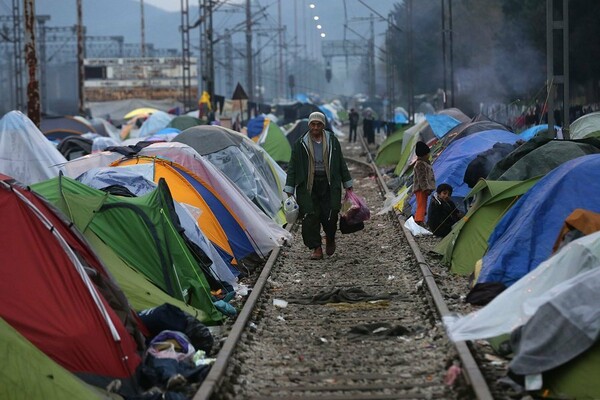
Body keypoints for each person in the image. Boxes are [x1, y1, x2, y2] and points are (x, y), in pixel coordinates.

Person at [284, 111, 354, 260]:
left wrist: (347, 183)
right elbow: (292, 167)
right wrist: (289, 188)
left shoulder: (332, 141)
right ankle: (316, 247)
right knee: (310, 216)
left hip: (329, 184)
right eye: (313, 124)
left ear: (323, 125)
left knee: (330, 214)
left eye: (319, 124)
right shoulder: (300, 144)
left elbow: (340, 162)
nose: (315, 127)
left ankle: (330, 237)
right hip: (308, 186)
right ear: (309, 125)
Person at [412, 141, 435, 228]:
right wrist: (426, 188)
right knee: (421, 205)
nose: (429, 155)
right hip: (421, 189)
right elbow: (422, 178)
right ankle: (418, 222)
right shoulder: (420, 164)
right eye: (428, 153)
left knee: (423, 205)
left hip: (422, 189)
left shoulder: (424, 163)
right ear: (424, 154)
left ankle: (420, 220)